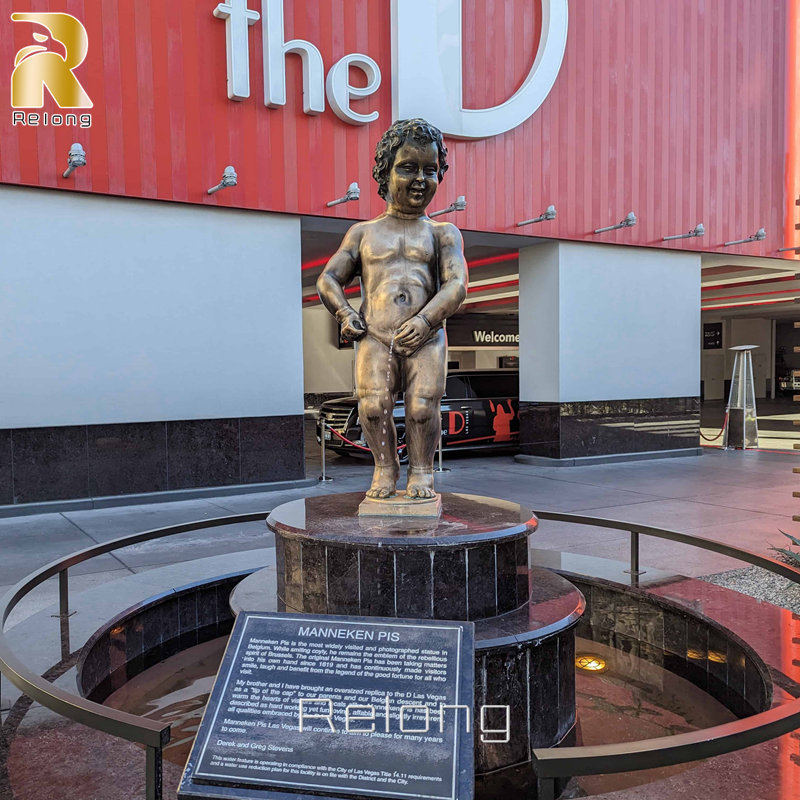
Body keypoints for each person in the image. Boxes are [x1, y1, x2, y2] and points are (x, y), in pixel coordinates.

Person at [317, 119, 468, 500]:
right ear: (385, 173)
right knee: (372, 407)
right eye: (408, 167)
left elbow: (457, 284)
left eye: (430, 170)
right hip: (375, 335)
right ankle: (385, 469)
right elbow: (328, 279)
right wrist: (345, 314)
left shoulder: (442, 232)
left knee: (421, 408)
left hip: (427, 336)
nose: (420, 179)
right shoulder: (363, 233)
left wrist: (426, 319)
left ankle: (421, 472)